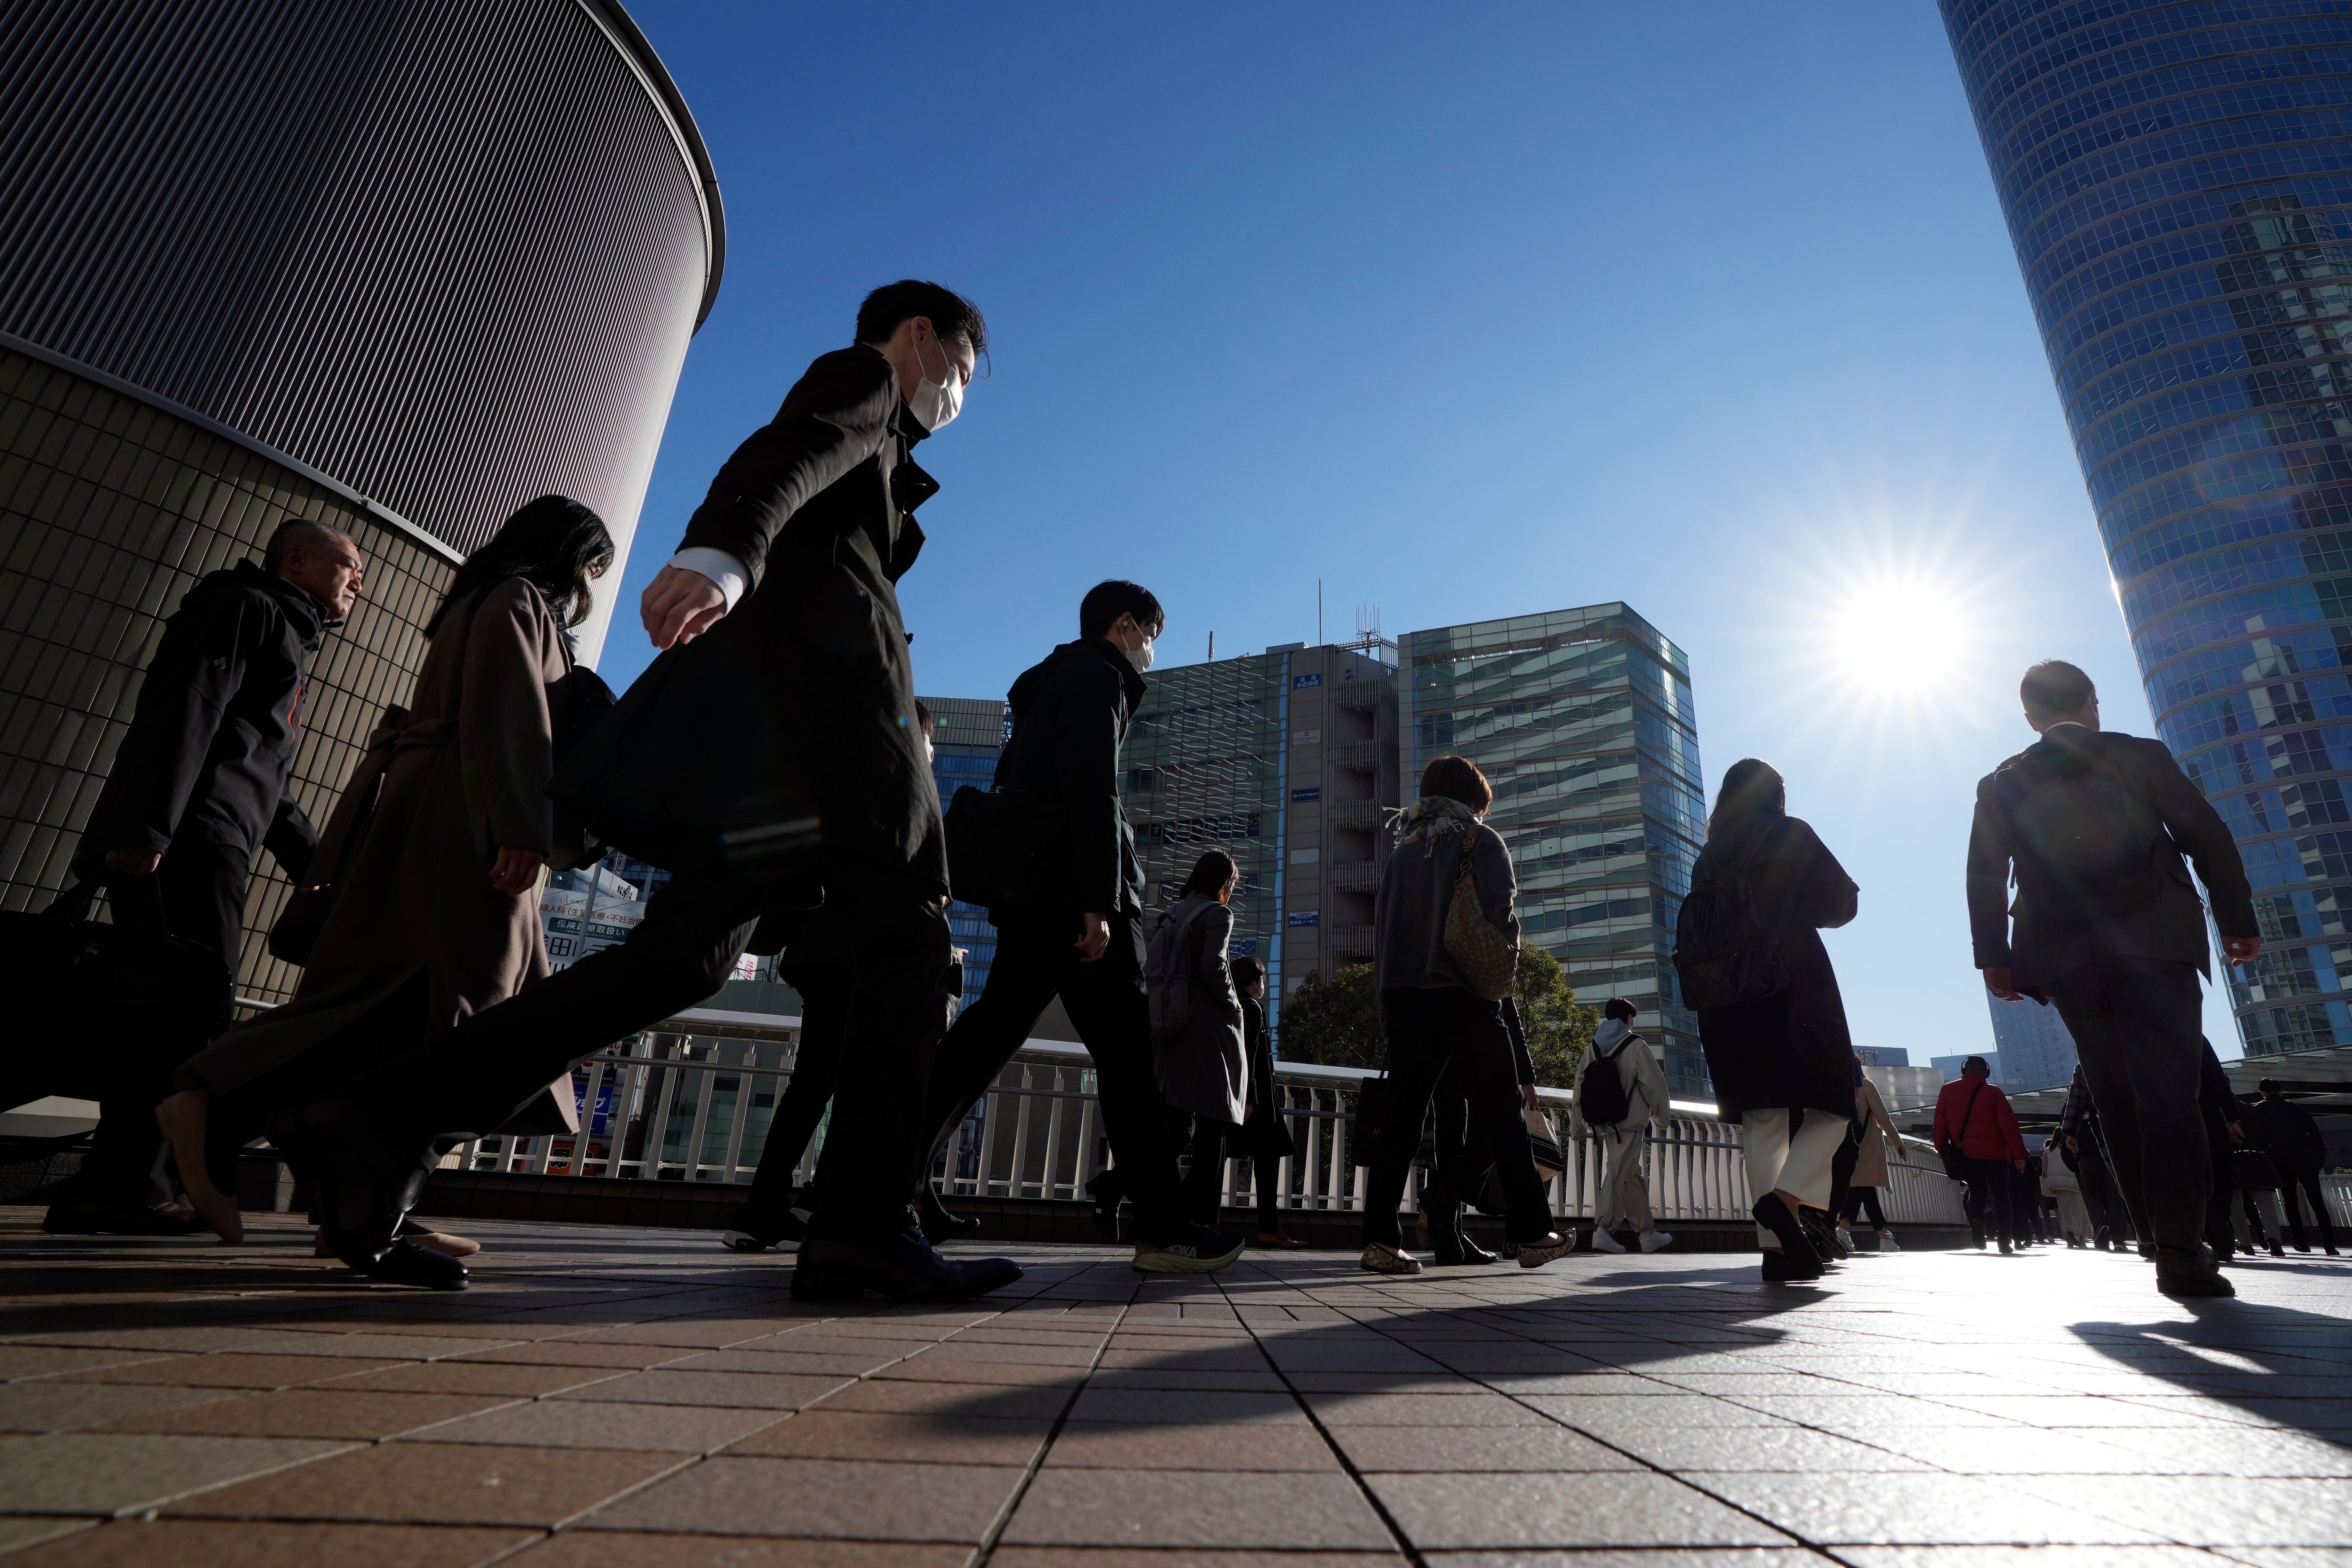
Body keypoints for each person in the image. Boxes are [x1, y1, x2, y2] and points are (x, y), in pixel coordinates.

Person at [262, 282, 1022, 1300]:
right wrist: (722, 555)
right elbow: (787, 452)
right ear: (922, 338)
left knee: (679, 962)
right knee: (908, 939)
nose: (958, 399)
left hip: (771, 770)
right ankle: (861, 1231)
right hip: (833, 744)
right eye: (963, 374)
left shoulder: (887, 452)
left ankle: (379, 1113)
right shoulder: (866, 383)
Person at [157, 498, 609, 1254]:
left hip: (443, 813)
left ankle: (355, 1198)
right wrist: (522, 829)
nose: (593, 581)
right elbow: (512, 712)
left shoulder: (478, 599)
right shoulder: (519, 601)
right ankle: (222, 1102)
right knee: (444, 1009)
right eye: (593, 564)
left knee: (407, 1004)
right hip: (467, 825)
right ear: (569, 556)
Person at [42, 520, 364, 1237]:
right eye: (347, 566)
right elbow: (185, 709)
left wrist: (320, 868)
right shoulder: (246, 608)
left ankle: (119, 1182)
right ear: (297, 560)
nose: (358, 583)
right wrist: (144, 829)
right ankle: (125, 1185)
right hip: (184, 842)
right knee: (176, 1017)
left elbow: (265, 777)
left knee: (173, 1016)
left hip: (207, 838)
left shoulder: (283, 629)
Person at [914, 582, 1243, 1275]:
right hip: (1076, 896)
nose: (1151, 653)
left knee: (989, 1032)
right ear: (1126, 626)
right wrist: (1097, 898)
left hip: (1035, 889)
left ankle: (876, 1185)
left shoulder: (1045, 685)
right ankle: (1165, 1226)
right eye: (1152, 635)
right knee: (1126, 1057)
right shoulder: (1099, 677)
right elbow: (1094, 789)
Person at [1969, 660, 2257, 1296]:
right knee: (2170, 1097)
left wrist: (1995, 956)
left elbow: (1986, 875)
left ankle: (2154, 1231)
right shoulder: (2139, 756)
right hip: (2156, 942)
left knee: (2115, 1093)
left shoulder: (2003, 783)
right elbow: (2206, 834)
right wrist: (2237, 920)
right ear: (2093, 705)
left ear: (2031, 718)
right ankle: (2180, 1247)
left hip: (2068, 956)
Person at [720, 701, 947, 1255]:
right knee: (859, 1080)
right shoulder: (894, 783)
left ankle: (770, 1205)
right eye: (925, 739)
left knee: (816, 1080)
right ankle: (819, 1202)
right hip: (863, 955)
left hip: (823, 953)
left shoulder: (841, 774)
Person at [1358, 755, 1569, 1275]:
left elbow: (1384, 934)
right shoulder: (1479, 839)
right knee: (1501, 1115)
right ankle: (1532, 1233)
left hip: (1404, 997)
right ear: (1473, 797)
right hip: (1463, 996)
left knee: (1403, 1122)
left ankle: (1380, 1240)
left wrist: (1388, 1002)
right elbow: (1500, 919)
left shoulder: (1401, 851)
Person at [1682, 758, 1860, 1283]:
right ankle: (1785, 1202)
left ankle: (1775, 1249)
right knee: (1833, 1104)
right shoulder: (1789, 832)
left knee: (1762, 1118)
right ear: (1775, 795)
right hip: (1792, 979)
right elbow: (1838, 904)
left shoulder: (1708, 855)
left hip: (1727, 993)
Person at [1149, 851, 1251, 1229]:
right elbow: (1214, 963)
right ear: (1223, 884)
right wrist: (1232, 1001)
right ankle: (1201, 1220)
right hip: (1208, 1030)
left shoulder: (1173, 913)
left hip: (1173, 1026)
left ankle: (1135, 1194)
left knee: (1177, 1123)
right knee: (1215, 1126)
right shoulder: (1218, 914)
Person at [1582, 997, 1671, 1255]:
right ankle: (1604, 1230)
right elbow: (1655, 1085)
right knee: (1619, 1171)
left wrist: (1579, 1125)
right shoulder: (1636, 1045)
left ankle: (1646, 1234)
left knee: (1630, 1173)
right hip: (1630, 1122)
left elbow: (1580, 1085)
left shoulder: (1593, 1047)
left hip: (1604, 1121)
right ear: (1629, 1019)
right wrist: (1663, 1117)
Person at [1231, 956, 1300, 1247]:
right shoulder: (1252, 1008)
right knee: (1267, 1163)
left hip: (1246, 1098)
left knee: (1221, 1156)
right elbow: (1250, 1055)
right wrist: (1250, 1098)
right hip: (1256, 1103)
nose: (1264, 984)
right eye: (1262, 978)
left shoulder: (1236, 1004)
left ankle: (1269, 1228)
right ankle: (1269, 1229)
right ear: (1252, 981)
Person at [1933, 1058, 2027, 1253]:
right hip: (1997, 1155)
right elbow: (2009, 1126)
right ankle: (2003, 1239)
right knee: (2001, 1195)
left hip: (1968, 1153)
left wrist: (1941, 1148)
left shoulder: (1948, 1090)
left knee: (1977, 1192)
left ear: (1963, 1070)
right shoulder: (1994, 1093)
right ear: (1986, 1072)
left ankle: (1976, 1223)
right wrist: (2018, 1154)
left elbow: (1940, 1123)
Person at [2248, 1077, 2337, 1255]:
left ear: (2262, 1093)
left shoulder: (2257, 1111)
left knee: (2290, 1202)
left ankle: (2302, 1243)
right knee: (2318, 1203)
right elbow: (2316, 1137)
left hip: (2280, 1162)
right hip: (2305, 1160)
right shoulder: (2296, 1109)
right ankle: (2330, 1245)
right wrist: (2318, 1161)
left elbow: (2257, 1140)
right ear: (2281, 1092)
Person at [1835, 1055, 1909, 1254]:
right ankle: (1842, 1228)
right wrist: (1898, 1144)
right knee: (1860, 1187)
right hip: (1867, 1147)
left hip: (1844, 1144)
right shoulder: (1866, 1086)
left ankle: (1884, 1238)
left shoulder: (1836, 1088)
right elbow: (1884, 1118)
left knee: (1866, 1190)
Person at [2059, 1063, 2131, 1251]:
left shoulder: (2084, 1067)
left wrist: (2071, 1135)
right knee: (2115, 1194)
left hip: (2087, 1154)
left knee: (2092, 1194)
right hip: (2113, 1145)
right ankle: (2120, 1238)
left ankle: (2100, 1226)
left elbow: (2069, 1124)